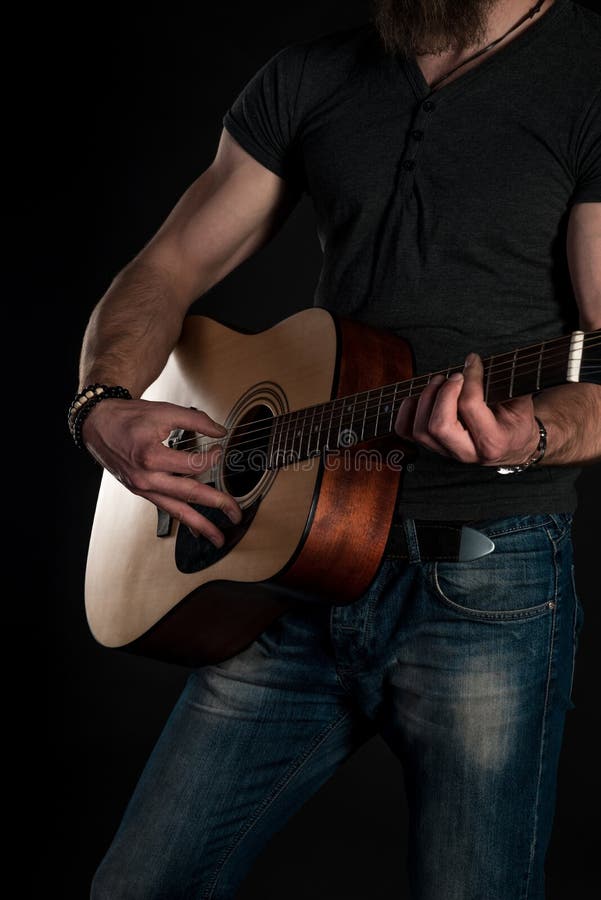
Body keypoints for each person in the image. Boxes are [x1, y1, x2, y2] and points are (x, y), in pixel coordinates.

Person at [75, 1, 600, 897]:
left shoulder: (587, 76)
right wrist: (102, 401)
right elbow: (167, 267)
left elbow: (598, 364)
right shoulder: (307, 77)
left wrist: (534, 433)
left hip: (480, 584)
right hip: (289, 570)